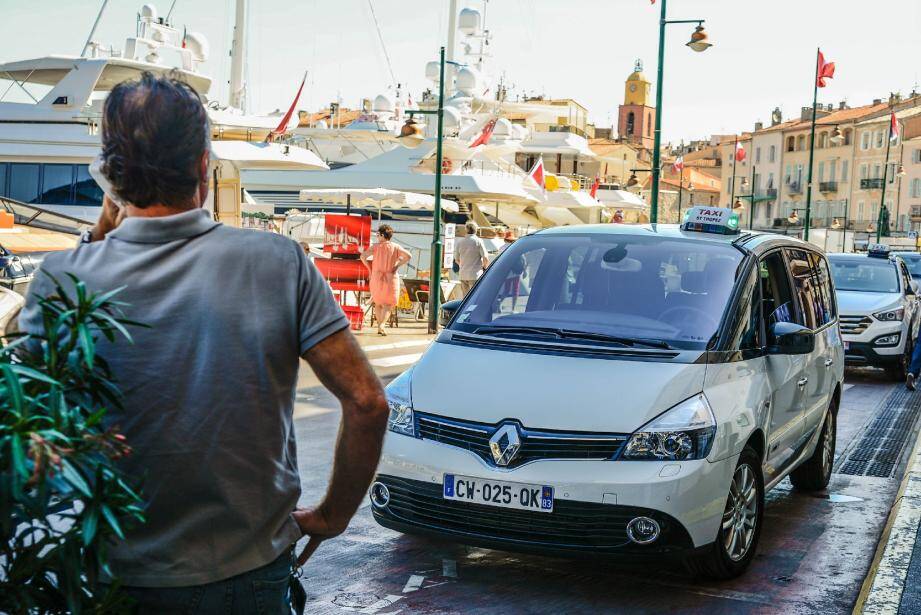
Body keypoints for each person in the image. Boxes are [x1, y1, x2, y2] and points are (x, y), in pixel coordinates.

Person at [17, 73, 389, 614]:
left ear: (110, 178)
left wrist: (102, 229)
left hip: (110, 579)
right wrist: (333, 515)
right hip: (245, 576)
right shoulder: (277, 262)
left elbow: (28, 431)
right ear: (202, 168)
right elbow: (367, 401)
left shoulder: (62, 279)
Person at [360, 224, 411, 336]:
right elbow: (408, 256)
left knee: (378, 303)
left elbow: (363, 256)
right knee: (388, 304)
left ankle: (379, 325)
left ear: (383, 235)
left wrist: (369, 269)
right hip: (391, 277)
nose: (377, 237)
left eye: (378, 235)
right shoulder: (396, 247)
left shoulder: (375, 247)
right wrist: (397, 266)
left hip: (376, 277)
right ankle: (382, 325)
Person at [454, 221, 488, 294]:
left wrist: (463, 265)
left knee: (465, 299)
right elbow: (485, 257)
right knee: (474, 297)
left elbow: (456, 259)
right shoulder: (478, 241)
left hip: (463, 274)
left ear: (466, 230)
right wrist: (484, 267)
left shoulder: (460, 242)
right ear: (476, 230)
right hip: (475, 274)